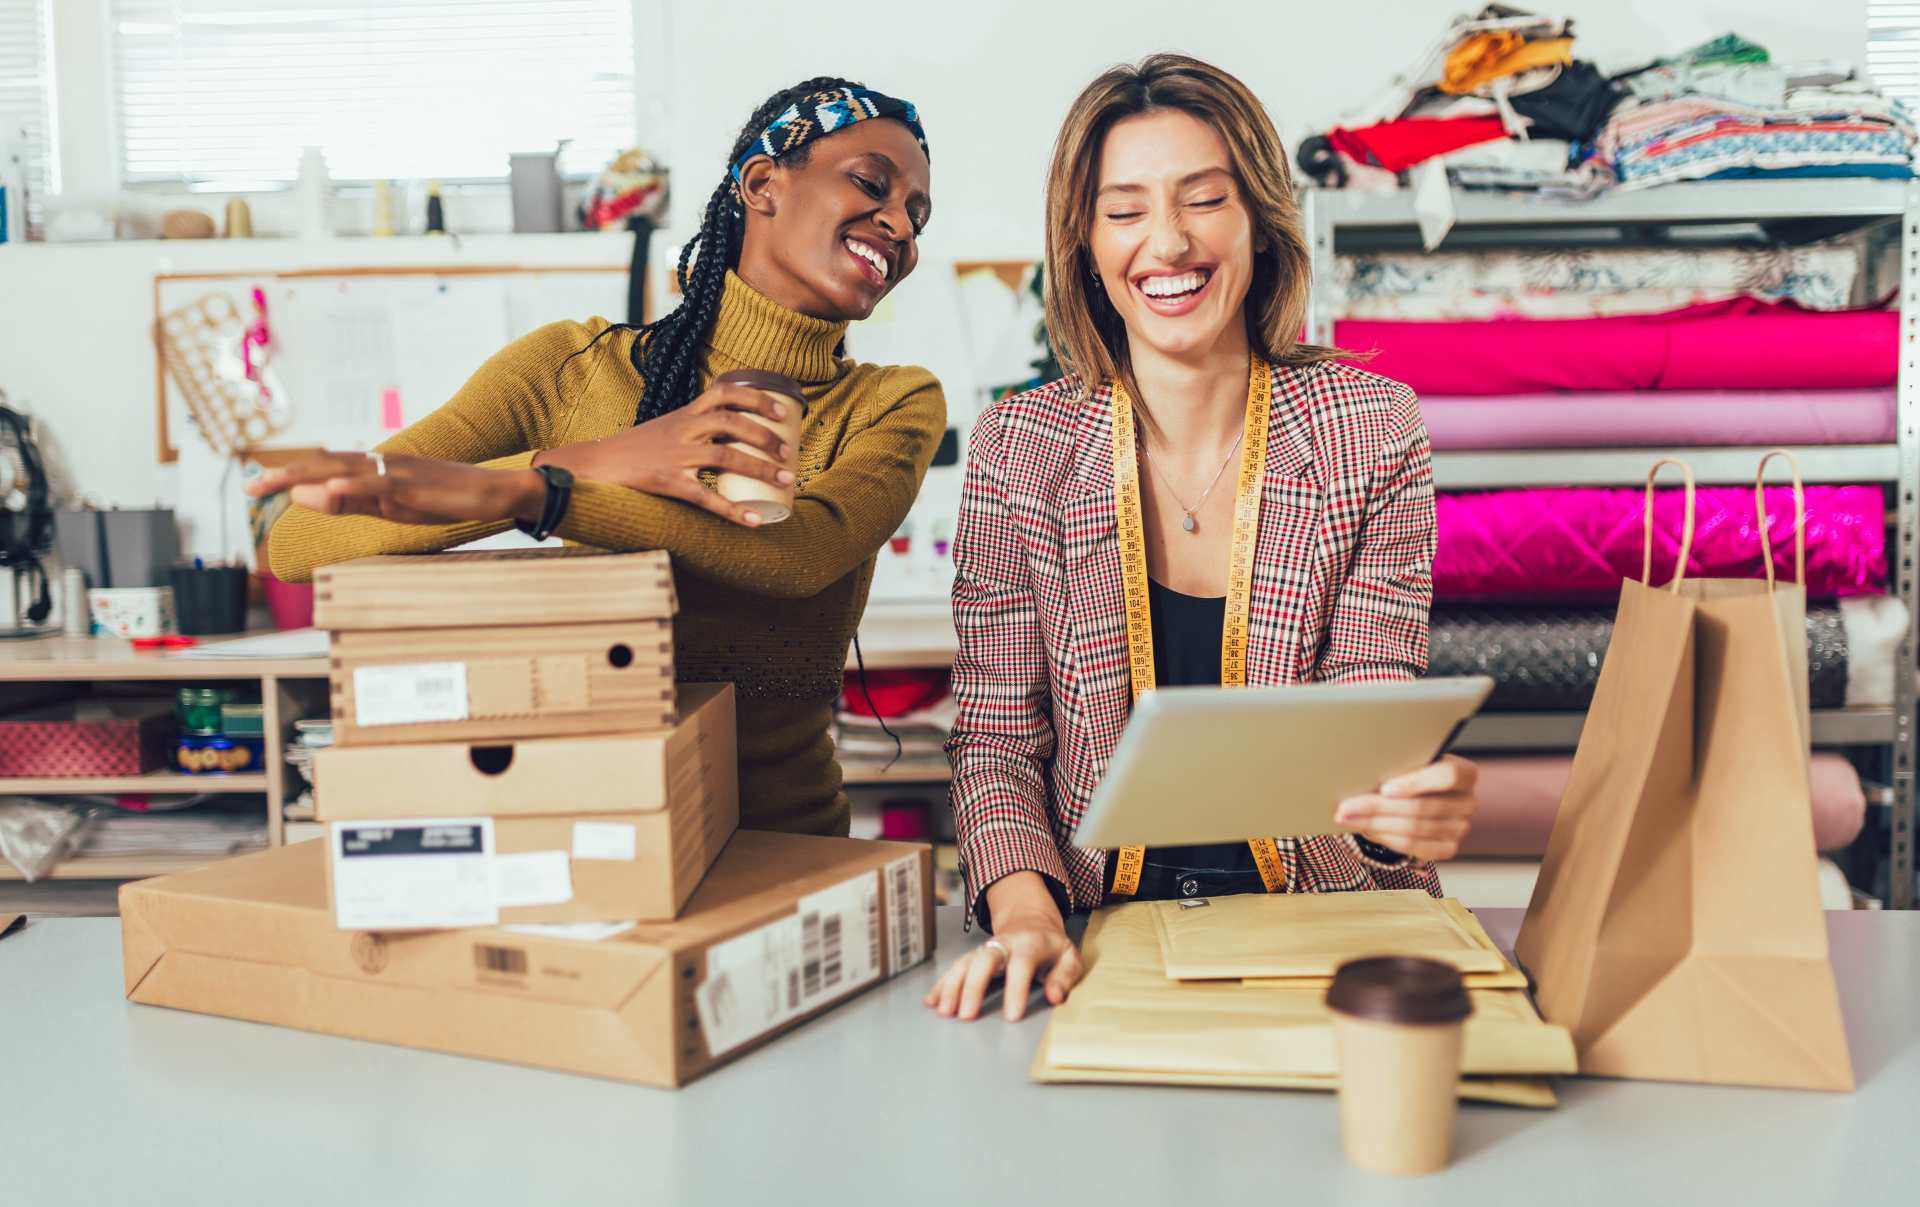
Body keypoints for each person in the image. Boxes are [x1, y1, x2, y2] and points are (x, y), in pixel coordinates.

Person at [927, 55, 1479, 1023]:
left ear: (1260, 221)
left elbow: (1368, 725)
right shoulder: (1020, 450)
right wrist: (1025, 916)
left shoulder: (1370, 430)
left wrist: (1406, 811)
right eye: (1125, 209)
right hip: (1096, 941)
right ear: (1086, 245)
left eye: (1204, 199)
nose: (1168, 242)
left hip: (1329, 938)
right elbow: (1000, 746)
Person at [252, 78, 944, 837]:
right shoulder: (568, 369)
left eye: (917, 214)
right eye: (873, 184)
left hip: (784, 839)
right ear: (761, 184)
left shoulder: (892, 402)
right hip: (592, 828)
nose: (900, 226)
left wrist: (535, 495)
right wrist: (587, 461)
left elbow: (800, 556)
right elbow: (298, 541)